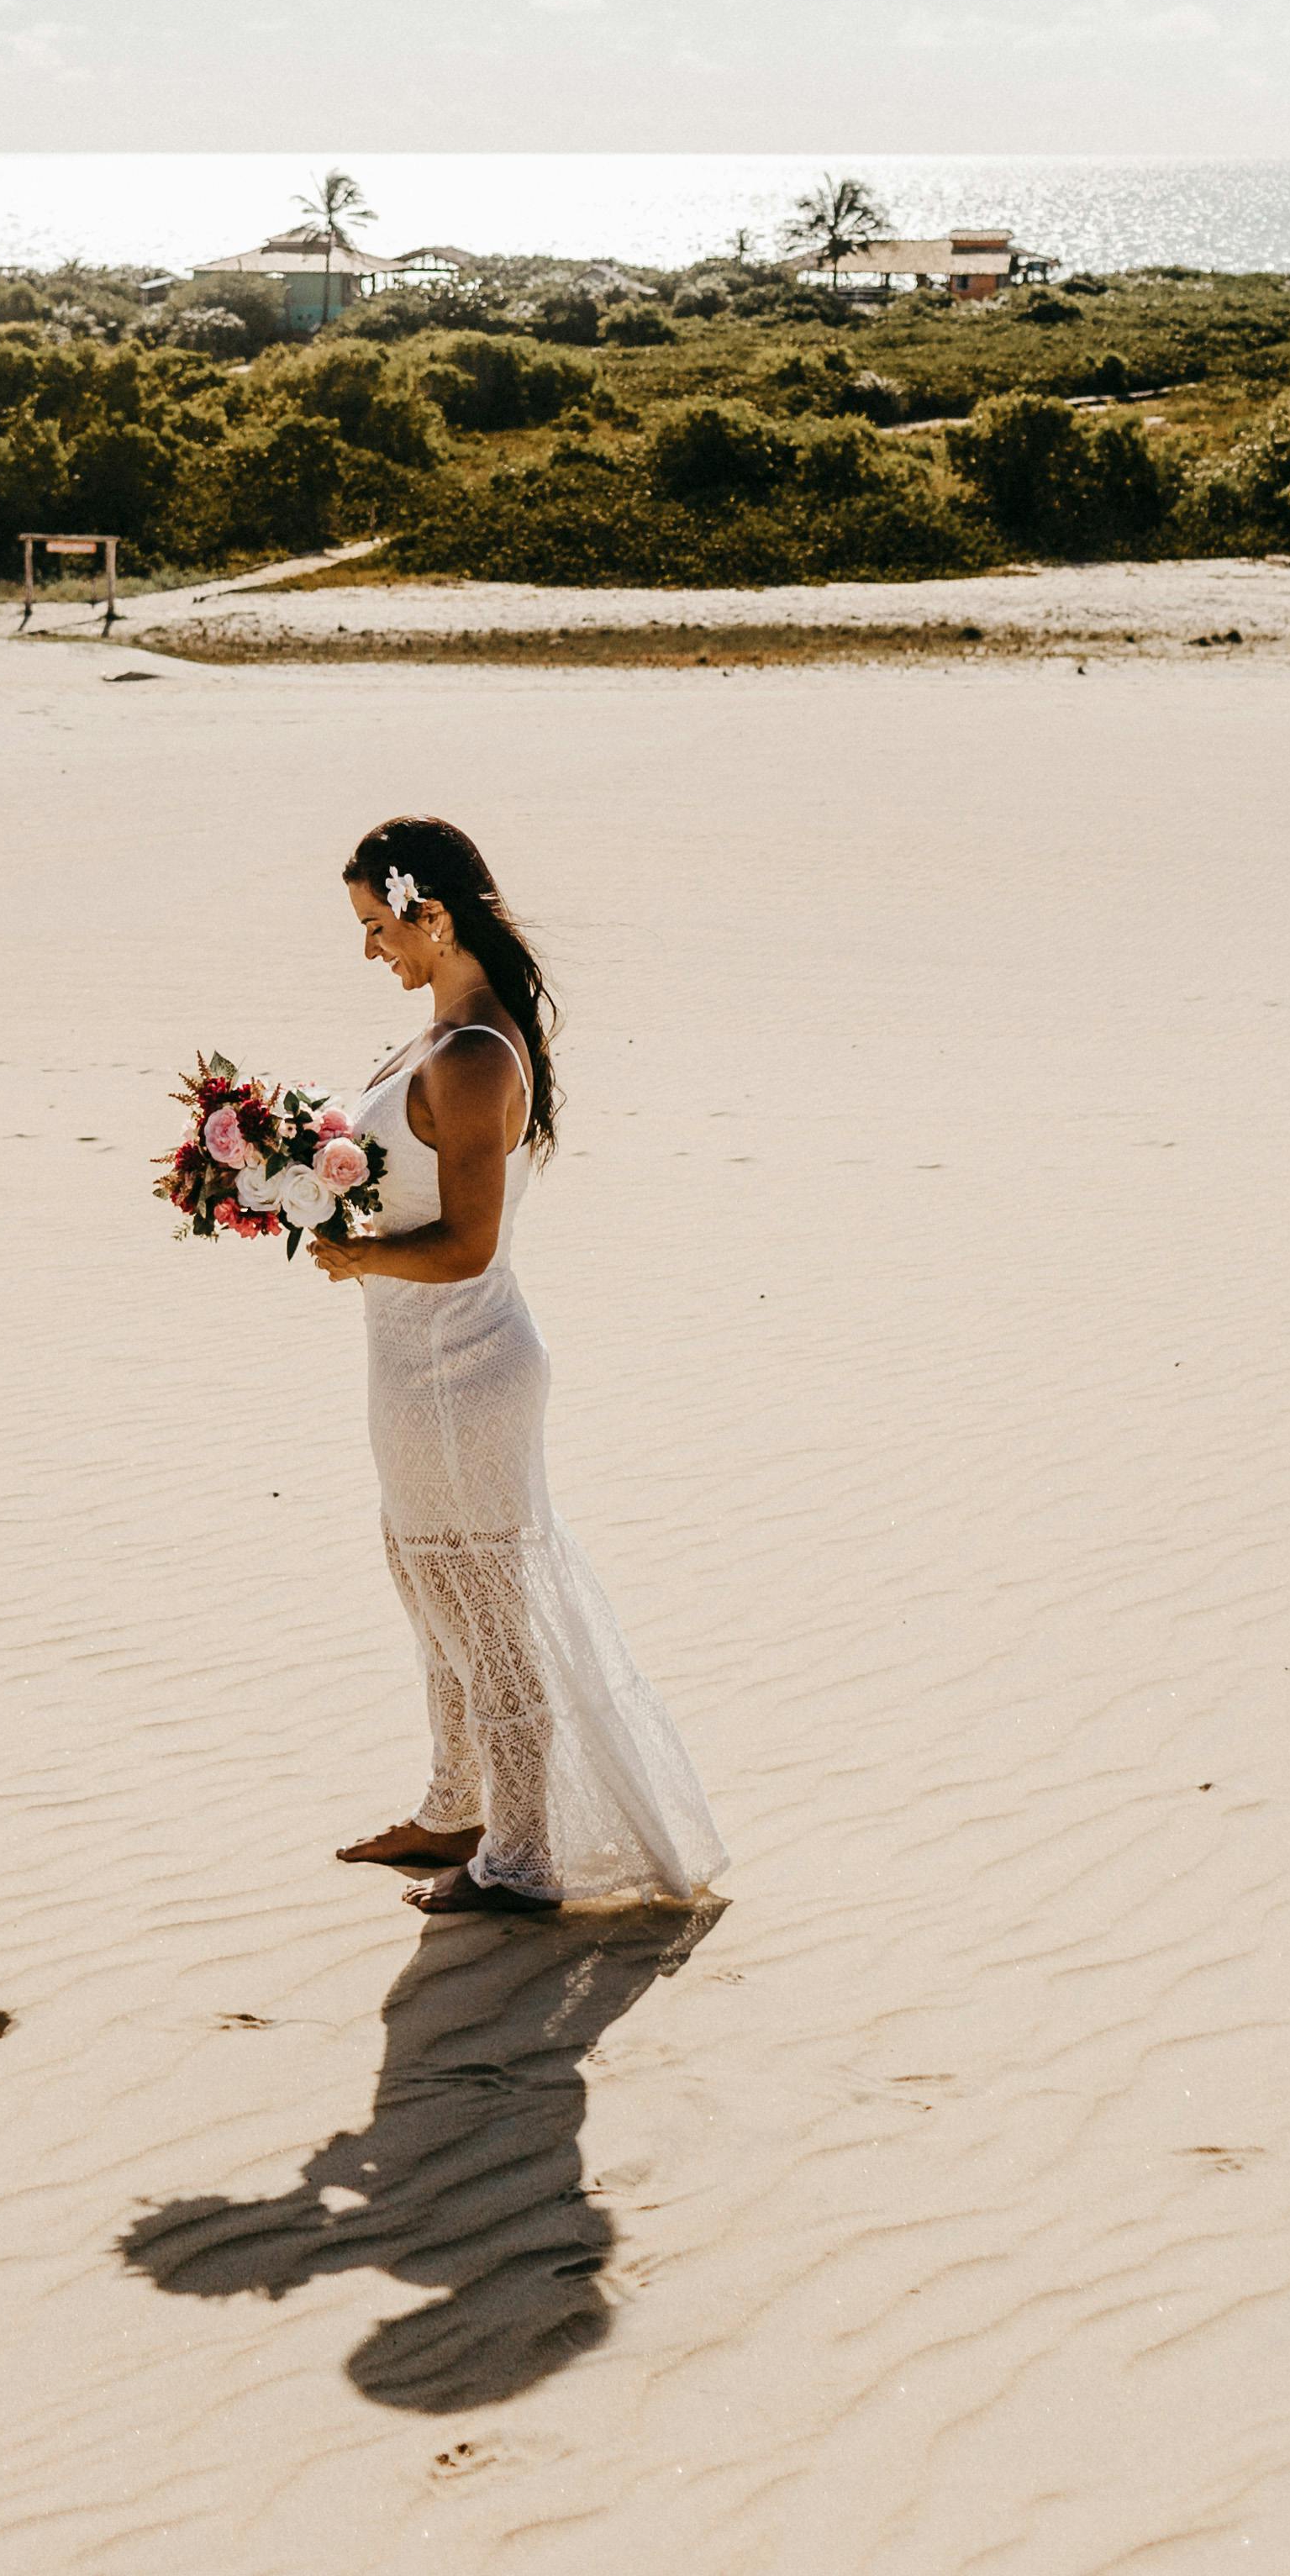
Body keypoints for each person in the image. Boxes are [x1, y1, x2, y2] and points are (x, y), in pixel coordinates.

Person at [310, 816, 725, 1919]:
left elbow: (467, 1247)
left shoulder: (476, 1056)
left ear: (430, 915)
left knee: (483, 1602)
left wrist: (356, 1251)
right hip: (410, 1363)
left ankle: (525, 1856)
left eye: (375, 925)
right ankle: (454, 1807)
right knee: (423, 1578)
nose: (370, 952)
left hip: (464, 1365)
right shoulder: (432, 1039)